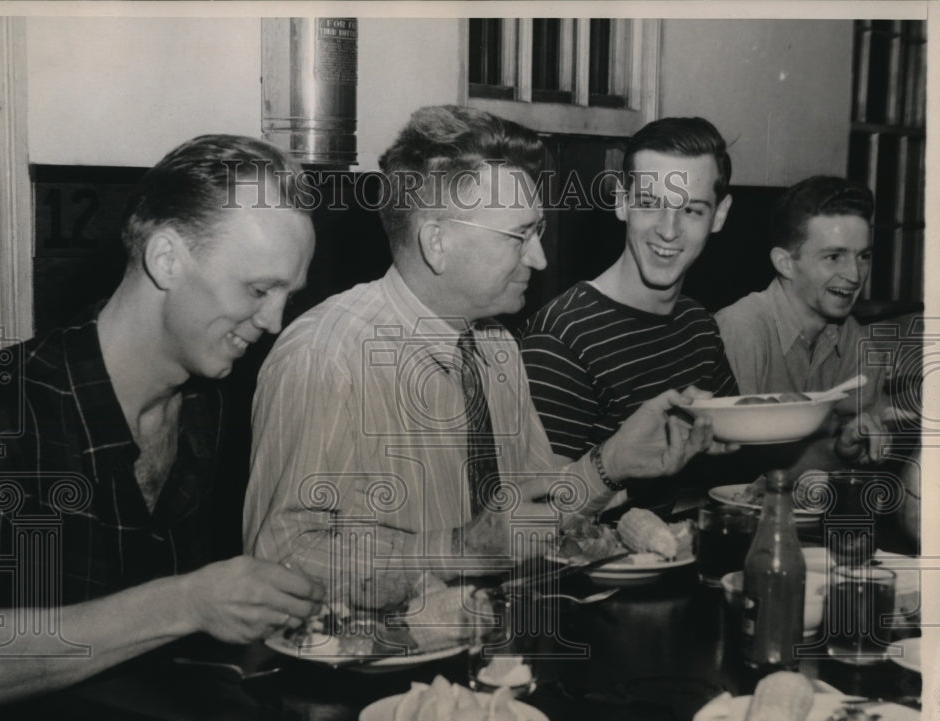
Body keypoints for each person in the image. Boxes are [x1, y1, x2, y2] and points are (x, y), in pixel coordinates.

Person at [243, 105, 722, 610]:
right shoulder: (326, 356)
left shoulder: (496, 347)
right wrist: (459, 550)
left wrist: (611, 464)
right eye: (521, 236)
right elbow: (280, 557)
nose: (539, 259)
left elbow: (527, 514)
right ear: (437, 242)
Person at [0, 135, 325, 708]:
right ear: (166, 259)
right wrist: (184, 603)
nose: (275, 321)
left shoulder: (206, 409)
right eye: (260, 289)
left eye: (287, 295)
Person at [519, 117, 739, 515]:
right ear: (621, 201)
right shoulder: (562, 337)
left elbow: (728, 460)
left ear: (719, 215)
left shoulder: (699, 327)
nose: (668, 231)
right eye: (650, 204)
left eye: (691, 210)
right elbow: (534, 513)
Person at [715, 176, 890, 467]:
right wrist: (836, 447)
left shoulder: (849, 334)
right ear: (785, 263)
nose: (855, 275)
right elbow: (737, 466)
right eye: (834, 256)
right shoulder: (741, 329)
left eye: (864, 256)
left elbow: (883, 420)